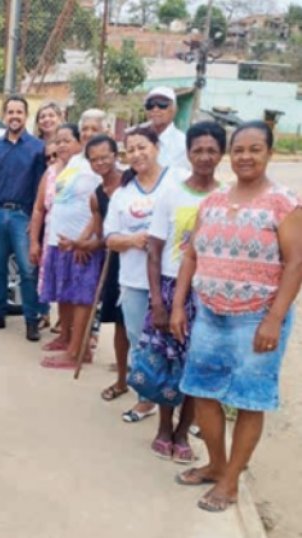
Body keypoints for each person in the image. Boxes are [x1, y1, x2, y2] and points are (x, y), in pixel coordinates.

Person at [172, 121, 302, 512]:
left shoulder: (284, 203)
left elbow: (296, 263)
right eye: (239, 149)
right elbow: (191, 256)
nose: (246, 156)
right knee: (202, 391)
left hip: (257, 317)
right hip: (210, 314)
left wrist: (273, 319)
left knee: (249, 400)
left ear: (269, 153)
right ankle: (215, 464)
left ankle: (229, 482)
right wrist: (179, 305)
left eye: (255, 149)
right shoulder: (211, 202)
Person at [128, 122, 224, 463]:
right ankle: (164, 429)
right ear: (188, 153)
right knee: (164, 363)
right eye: (198, 150)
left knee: (195, 366)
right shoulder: (172, 191)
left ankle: (184, 433)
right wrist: (157, 300)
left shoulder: (224, 196)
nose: (204, 156)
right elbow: (154, 250)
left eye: (211, 150)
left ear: (221, 155)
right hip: (169, 288)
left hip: (206, 294)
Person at [103, 126, 189, 423]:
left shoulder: (177, 181)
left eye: (143, 147)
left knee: (180, 344)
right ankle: (147, 400)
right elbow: (110, 238)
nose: (137, 154)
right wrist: (134, 240)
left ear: (156, 147)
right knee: (141, 341)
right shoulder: (123, 193)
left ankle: (185, 409)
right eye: (131, 150)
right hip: (134, 280)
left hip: (176, 278)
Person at [62, 134, 128, 399]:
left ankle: (149, 388)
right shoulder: (97, 196)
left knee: (142, 326)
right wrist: (84, 244)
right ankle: (123, 379)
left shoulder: (131, 182)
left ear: (115, 156)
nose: (100, 162)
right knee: (121, 326)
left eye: (105, 157)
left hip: (141, 262)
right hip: (115, 264)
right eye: (94, 159)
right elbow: (102, 237)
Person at [0, 94, 46, 341]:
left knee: (27, 270)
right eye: (10, 112)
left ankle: (31, 320)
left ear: (25, 116)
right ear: (4, 116)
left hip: (22, 216)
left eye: (19, 112)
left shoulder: (37, 148)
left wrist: (35, 219)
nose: (14, 116)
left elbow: (42, 186)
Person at [38, 124, 102, 368]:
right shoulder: (68, 166)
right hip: (60, 242)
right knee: (64, 294)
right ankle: (66, 339)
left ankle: (77, 351)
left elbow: (100, 208)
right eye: (59, 141)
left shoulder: (92, 165)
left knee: (80, 297)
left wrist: (85, 240)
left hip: (80, 245)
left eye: (67, 140)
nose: (62, 145)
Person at [29, 138, 60, 330]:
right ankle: (46, 316)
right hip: (50, 235)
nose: (51, 160)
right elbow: (39, 208)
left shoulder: (82, 172)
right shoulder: (48, 174)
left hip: (77, 240)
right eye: (47, 157)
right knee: (47, 280)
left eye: (55, 155)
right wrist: (34, 240)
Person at [144, 87, 190, 172]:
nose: (155, 109)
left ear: (174, 109)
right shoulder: (137, 139)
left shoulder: (184, 144)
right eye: (150, 105)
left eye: (162, 104)